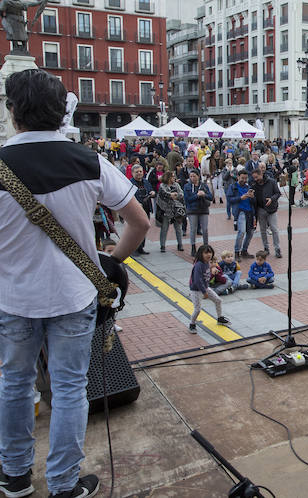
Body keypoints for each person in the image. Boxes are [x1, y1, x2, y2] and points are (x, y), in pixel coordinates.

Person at [0, 68, 150, 498]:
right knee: (69, 390)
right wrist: (111, 262)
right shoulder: (88, 161)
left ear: (14, 114)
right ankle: (64, 485)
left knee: (14, 384)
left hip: (13, 299)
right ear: (59, 113)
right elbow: (140, 222)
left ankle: (14, 476)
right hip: (73, 296)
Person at [188, 245, 231, 333]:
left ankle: (219, 318)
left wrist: (213, 269)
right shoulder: (199, 265)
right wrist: (204, 292)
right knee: (197, 309)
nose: (209, 255)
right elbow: (197, 280)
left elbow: (206, 277)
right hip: (196, 290)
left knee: (218, 300)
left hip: (205, 287)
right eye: (206, 253)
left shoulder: (206, 262)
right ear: (201, 254)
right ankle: (192, 324)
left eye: (210, 252)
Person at [251, 168, 282, 258]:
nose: (255, 179)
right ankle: (266, 248)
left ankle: (277, 248)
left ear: (261, 174)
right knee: (263, 230)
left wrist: (272, 199)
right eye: (254, 178)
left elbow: (278, 193)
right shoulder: (254, 185)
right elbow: (253, 198)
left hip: (271, 209)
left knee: (274, 229)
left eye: (256, 177)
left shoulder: (271, 181)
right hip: (260, 209)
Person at [227, 169, 256, 260]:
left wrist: (252, 197)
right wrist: (240, 198)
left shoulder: (248, 187)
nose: (244, 180)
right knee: (242, 231)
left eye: (245, 178)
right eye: (242, 178)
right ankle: (236, 252)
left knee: (250, 232)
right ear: (238, 177)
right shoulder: (233, 187)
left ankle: (244, 250)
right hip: (240, 212)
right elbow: (229, 200)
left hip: (250, 212)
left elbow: (254, 201)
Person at [183, 170, 212, 257]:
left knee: (205, 229)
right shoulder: (187, 186)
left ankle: (206, 246)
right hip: (192, 210)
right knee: (193, 229)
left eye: (194, 176)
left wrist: (204, 194)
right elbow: (187, 199)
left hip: (203, 209)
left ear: (198, 176)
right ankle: (193, 247)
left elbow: (210, 197)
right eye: (191, 176)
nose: (192, 178)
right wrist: (197, 195)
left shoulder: (203, 185)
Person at [156, 171, 186, 252]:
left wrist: (176, 196)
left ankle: (180, 244)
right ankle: (162, 245)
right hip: (166, 210)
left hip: (176, 210)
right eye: (172, 176)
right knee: (164, 228)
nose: (174, 178)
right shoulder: (162, 186)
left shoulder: (176, 185)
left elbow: (181, 194)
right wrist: (171, 195)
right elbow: (162, 195)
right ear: (168, 178)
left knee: (178, 228)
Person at [130, 165, 155, 255]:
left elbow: (151, 190)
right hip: (136, 210)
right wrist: (136, 203)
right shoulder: (130, 183)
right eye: (137, 172)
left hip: (146, 208)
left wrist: (152, 193)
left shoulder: (146, 182)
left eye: (140, 171)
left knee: (144, 228)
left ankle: (141, 247)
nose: (139, 173)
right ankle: (134, 249)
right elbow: (129, 196)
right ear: (132, 173)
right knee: (136, 229)